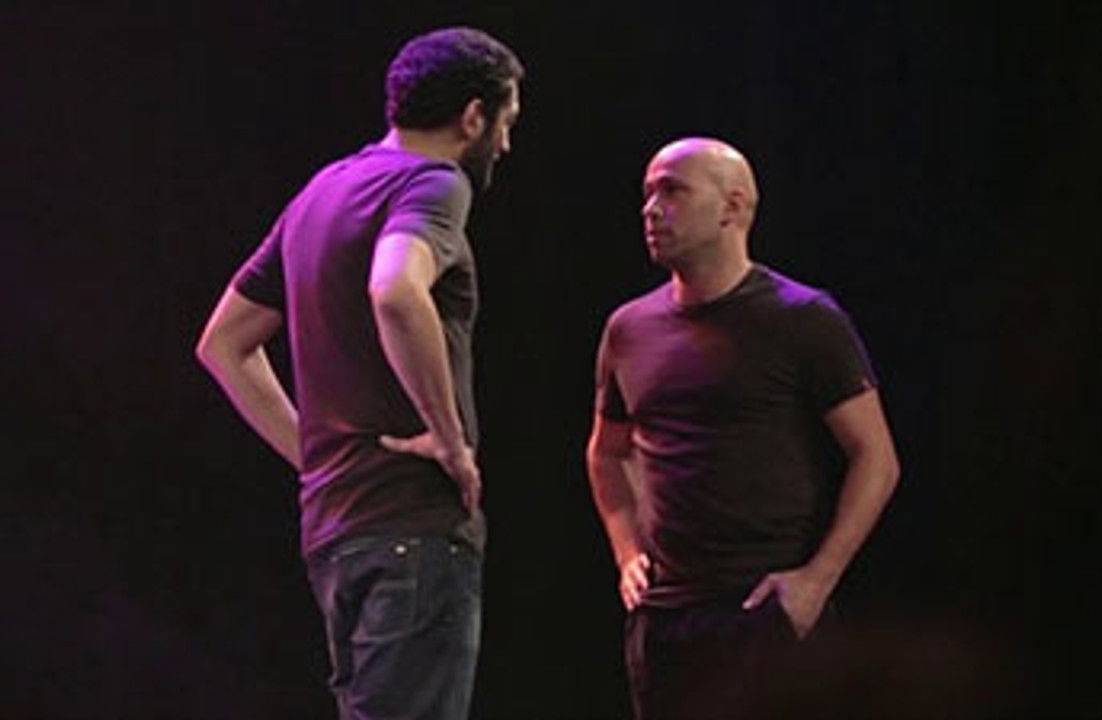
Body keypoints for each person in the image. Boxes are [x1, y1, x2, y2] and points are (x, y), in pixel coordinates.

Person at [196, 27, 523, 720]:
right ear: (473, 115)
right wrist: (449, 440)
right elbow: (395, 289)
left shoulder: (322, 192)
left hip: (336, 533)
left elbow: (224, 344)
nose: (505, 144)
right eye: (506, 122)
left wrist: (315, 457)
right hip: (411, 522)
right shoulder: (434, 182)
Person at [587, 137, 901, 719]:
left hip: (762, 608)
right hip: (666, 621)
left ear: (731, 208)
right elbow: (607, 453)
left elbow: (876, 458)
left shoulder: (802, 318)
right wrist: (627, 551)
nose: (651, 210)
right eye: (648, 193)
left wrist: (817, 581)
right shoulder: (629, 328)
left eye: (672, 191)